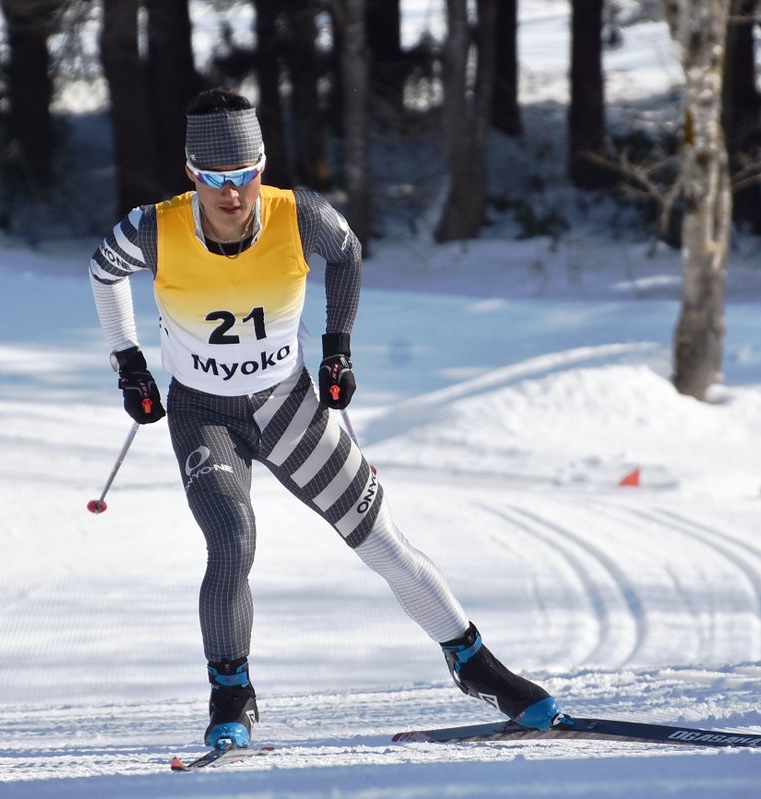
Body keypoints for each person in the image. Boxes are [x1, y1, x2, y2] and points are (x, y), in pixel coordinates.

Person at [87, 88, 563, 748]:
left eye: (247, 173)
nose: (234, 194)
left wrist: (338, 346)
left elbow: (348, 254)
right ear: (193, 174)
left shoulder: (299, 216)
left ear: (262, 165)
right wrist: (129, 363)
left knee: (384, 543)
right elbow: (102, 269)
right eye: (218, 179)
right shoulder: (155, 228)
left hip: (289, 405)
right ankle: (231, 695)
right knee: (232, 536)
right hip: (204, 413)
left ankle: (480, 668)